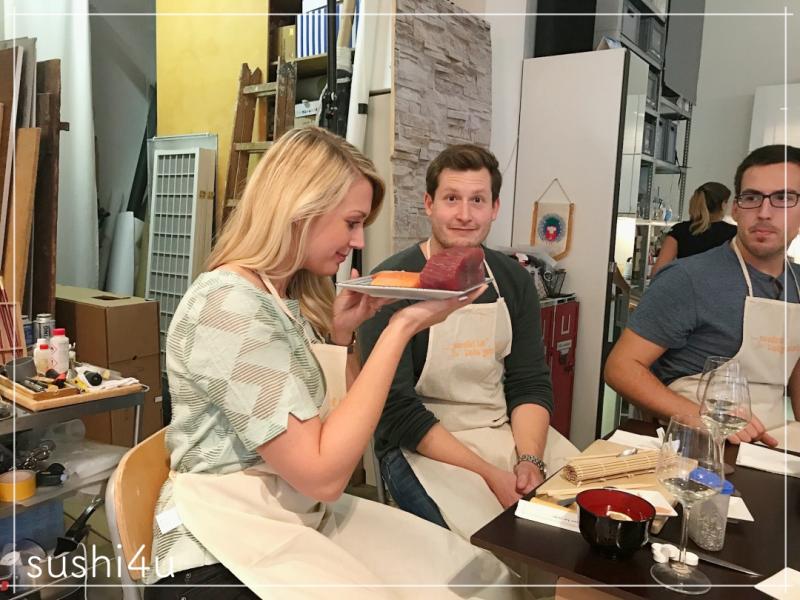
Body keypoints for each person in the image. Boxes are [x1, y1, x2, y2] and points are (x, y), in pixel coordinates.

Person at [144, 127, 522, 600]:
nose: (358, 240)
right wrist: (400, 329)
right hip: (218, 541)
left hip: (296, 510)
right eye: (351, 222)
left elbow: (334, 429)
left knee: (476, 576)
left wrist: (341, 338)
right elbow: (324, 474)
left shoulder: (280, 296)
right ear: (300, 209)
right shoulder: (228, 307)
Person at [358, 144, 576, 540]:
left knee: (581, 515)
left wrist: (530, 460)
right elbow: (395, 410)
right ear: (429, 204)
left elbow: (528, 382)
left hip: (503, 431)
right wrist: (489, 474)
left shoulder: (512, 280)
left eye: (477, 200)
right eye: (451, 199)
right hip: (421, 446)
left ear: (494, 208)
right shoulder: (392, 283)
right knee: (491, 546)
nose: (464, 214)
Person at [605, 144, 800, 445]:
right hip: (696, 445)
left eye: (783, 198)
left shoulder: (796, 283)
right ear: (735, 209)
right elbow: (620, 368)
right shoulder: (688, 279)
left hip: (773, 444)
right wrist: (701, 417)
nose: (764, 213)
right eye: (751, 198)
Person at [651, 181, 736, 275]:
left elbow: (657, 272)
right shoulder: (734, 233)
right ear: (723, 205)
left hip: (685, 283)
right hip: (723, 284)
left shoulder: (679, 230)